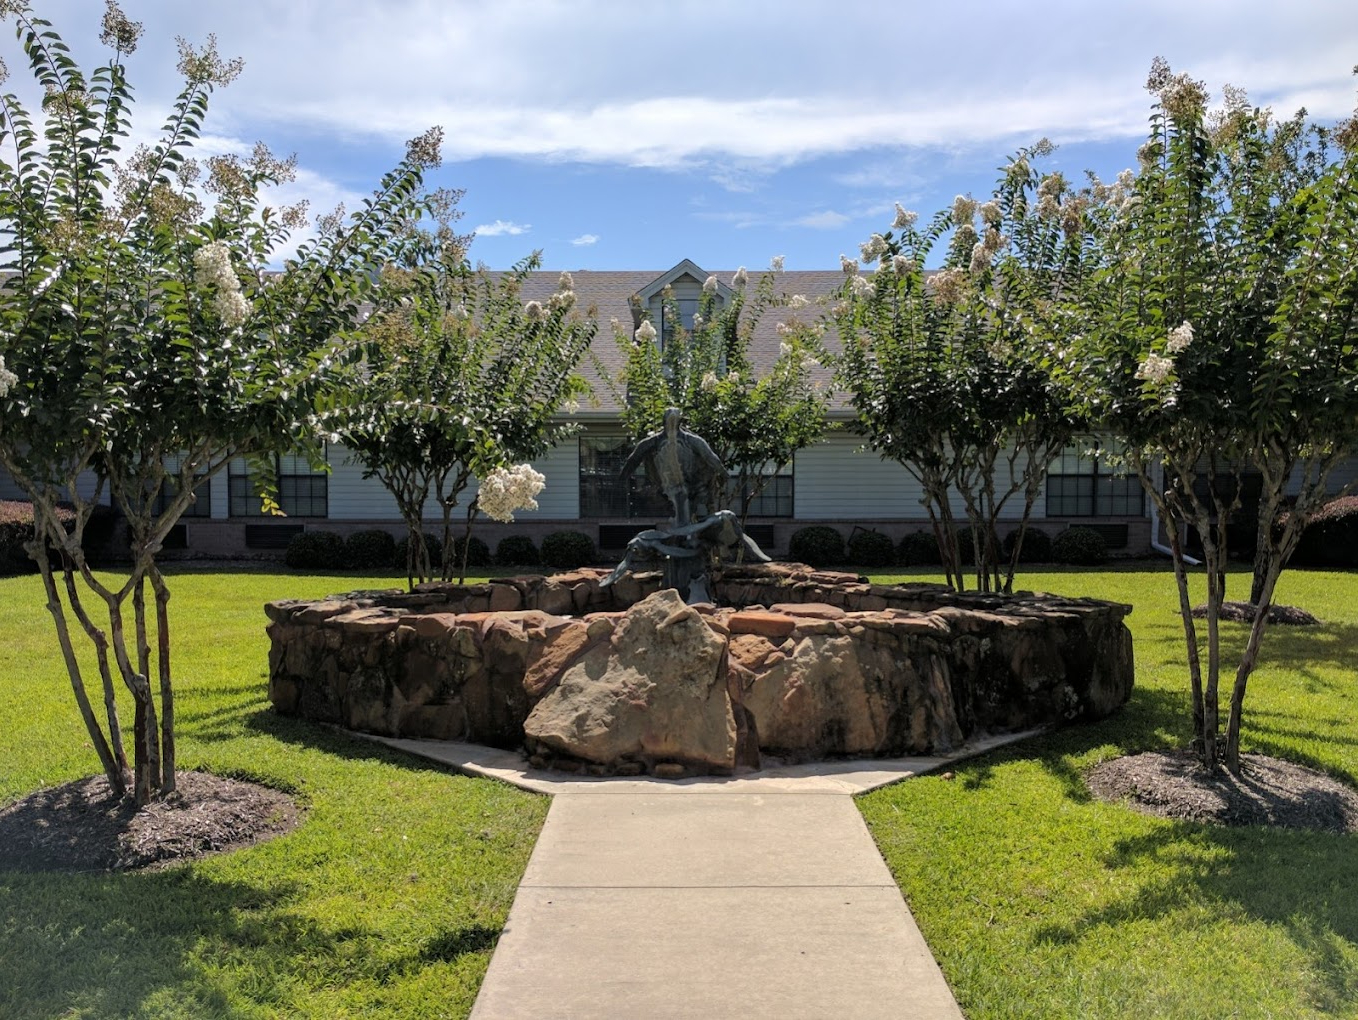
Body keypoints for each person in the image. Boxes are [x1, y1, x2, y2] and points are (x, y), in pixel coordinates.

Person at [619, 407, 726, 529]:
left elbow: (710, 457)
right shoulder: (654, 441)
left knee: (687, 505)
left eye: (675, 421)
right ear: (664, 422)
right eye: (669, 420)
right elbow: (634, 458)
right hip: (665, 483)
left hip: (691, 482)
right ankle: (681, 534)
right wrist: (623, 477)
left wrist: (723, 473)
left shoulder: (690, 440)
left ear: (679, 422)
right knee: (677, 508)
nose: (672, 424)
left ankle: (688, 534)